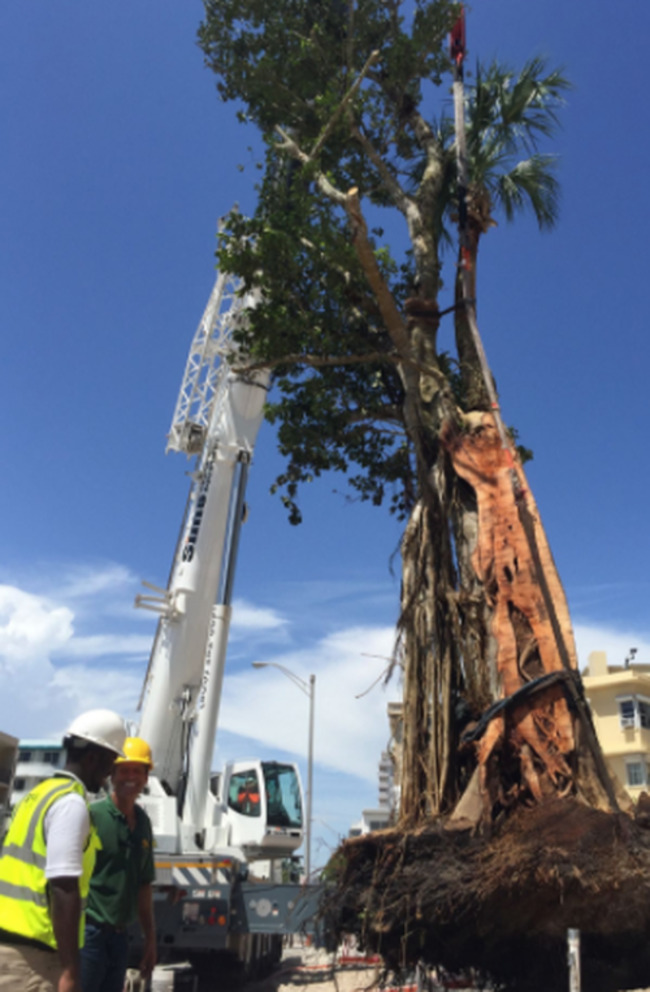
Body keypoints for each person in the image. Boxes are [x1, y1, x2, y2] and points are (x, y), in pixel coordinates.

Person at [0, 708, 126, 992]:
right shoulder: (71, 804)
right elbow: (64, 887)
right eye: (110, 763)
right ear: (93, 758)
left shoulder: (38, 795)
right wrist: (71, 968)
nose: (110, 774)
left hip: (9, 945)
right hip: (34, 957)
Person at [80, 737, 156, 992]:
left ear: (146, 777)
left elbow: (144, 885)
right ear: (112, 775)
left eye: (137, 770)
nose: (130, 777)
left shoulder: (144, 823)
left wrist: (150, 940)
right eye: (124, 770)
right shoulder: (94, 815)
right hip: (89, 934)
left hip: (121, 937)